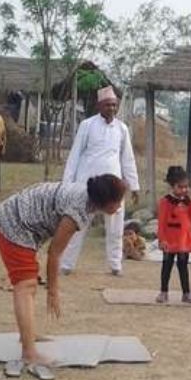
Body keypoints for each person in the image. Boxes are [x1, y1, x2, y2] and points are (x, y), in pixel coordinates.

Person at [0, 174, 127, 379]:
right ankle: (29, 353)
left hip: (24, 223)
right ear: (104, 202)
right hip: (13, 223)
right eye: (117, 201)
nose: (119, 206)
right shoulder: (78, 210)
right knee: (25, 285)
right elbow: (55, 252)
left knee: (28, 284)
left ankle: (27, 335)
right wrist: (53, 291)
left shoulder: (87, 201)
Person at [60, 86, 140, 275]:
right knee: (78, 225)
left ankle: (115, 265)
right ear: (99, 106)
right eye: (107, 105)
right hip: (86, 185)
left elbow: (127, 159)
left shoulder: (122, 129)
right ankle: (66, 265)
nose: (111, 108)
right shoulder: (87, 125)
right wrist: (67, 184)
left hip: (113, 187)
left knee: (115, 228)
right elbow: (75, 154)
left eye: (114, 105)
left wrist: (134, 186)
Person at [156, 165, 191, 304]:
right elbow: (161, 222)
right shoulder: (165, 202)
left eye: (186, 187)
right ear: (172, 186)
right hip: (169, 239)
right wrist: (162, 239)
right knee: (167, 265)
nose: (184, 190)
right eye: (180, 187)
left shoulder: (188, 201)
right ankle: (163, 292)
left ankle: (186, 293)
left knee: (183, 266)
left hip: (183, 240)